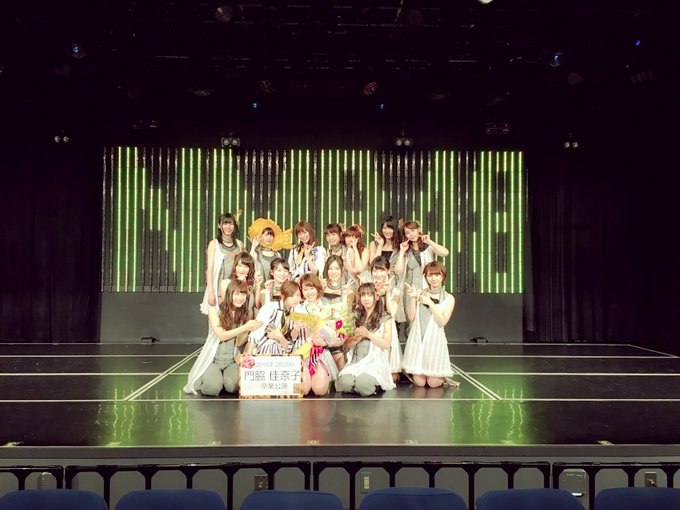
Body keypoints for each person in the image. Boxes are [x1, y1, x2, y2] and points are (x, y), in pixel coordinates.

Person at [184, 280, 263, 396]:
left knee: (232, 387)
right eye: (236, 294)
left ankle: (223, 381)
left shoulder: (245, 314)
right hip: (213, 361)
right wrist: (245, 327)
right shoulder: (214, 310)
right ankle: (212, 380)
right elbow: (221, 335)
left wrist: (248, 330)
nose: (240, 298)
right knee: (212, 389)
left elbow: (239, 343)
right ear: (229, 294)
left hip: (232, 362)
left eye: (243, 294)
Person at [402, 261, 457, 388]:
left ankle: (442, 377)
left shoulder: (449, 298)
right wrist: (412, 298)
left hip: (434, 340)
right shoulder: (420, 292)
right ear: (426, 277)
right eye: (430, 275)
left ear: (443, 276)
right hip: (418, 338)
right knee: (420, 383)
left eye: (437, 275)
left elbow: (442, 321)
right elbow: (411, 316)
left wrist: (430, 303)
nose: (434, 278)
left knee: (433, 383)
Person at [336, 283, 395, 396]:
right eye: (363, 295)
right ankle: (357, 384)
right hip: (356, 362)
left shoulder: (385, 317)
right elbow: (346, 345)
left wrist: (368, 335)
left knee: (363, 385)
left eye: (369, 295)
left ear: (376, 297)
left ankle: (374, 384)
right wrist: (356, 338)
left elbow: (387, 344)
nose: (366, 298)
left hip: (375, 362)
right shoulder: (356, 316)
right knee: (344, 384)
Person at [297, 274, 339, 396]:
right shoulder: (298, 308)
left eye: (312, 288)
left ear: (318, 288)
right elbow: (292, 337)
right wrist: (296, 329)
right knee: (303, 389)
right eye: (305, 289)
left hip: (320, 352)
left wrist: (325, 342)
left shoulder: (328, 308)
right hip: (302, 351)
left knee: (319, 390)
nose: (309, 292)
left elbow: (337, 336)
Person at [200, 211, 245, 315]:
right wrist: (211, 291)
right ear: (219, 226)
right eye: (225, 223)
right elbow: (210, 269)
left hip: (236, 288)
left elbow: (247, 262)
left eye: (231, 224)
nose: (228, 227)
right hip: (219, 287)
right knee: (219, 317)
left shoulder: (239, 244)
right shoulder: (214, 244)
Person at [246, 280, 306, 355]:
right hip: (265, 348)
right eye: (291, 296)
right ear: (283, 297)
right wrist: (249, 353)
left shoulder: (298, 311)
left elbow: (290, 342)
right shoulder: (270, 307)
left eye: (298, 295)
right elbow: (257, 331)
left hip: (284, 351)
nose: (296, 299)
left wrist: (281, 336)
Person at [370, 257, 402, 382]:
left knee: (389, 373)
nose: (378, 274)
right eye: (375, 271)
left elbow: (392, 312)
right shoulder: (368, 288)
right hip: (372, 327)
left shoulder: (395, 290)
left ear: (388, 271)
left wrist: (387, 293)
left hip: (387, 328)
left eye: (382, 270)